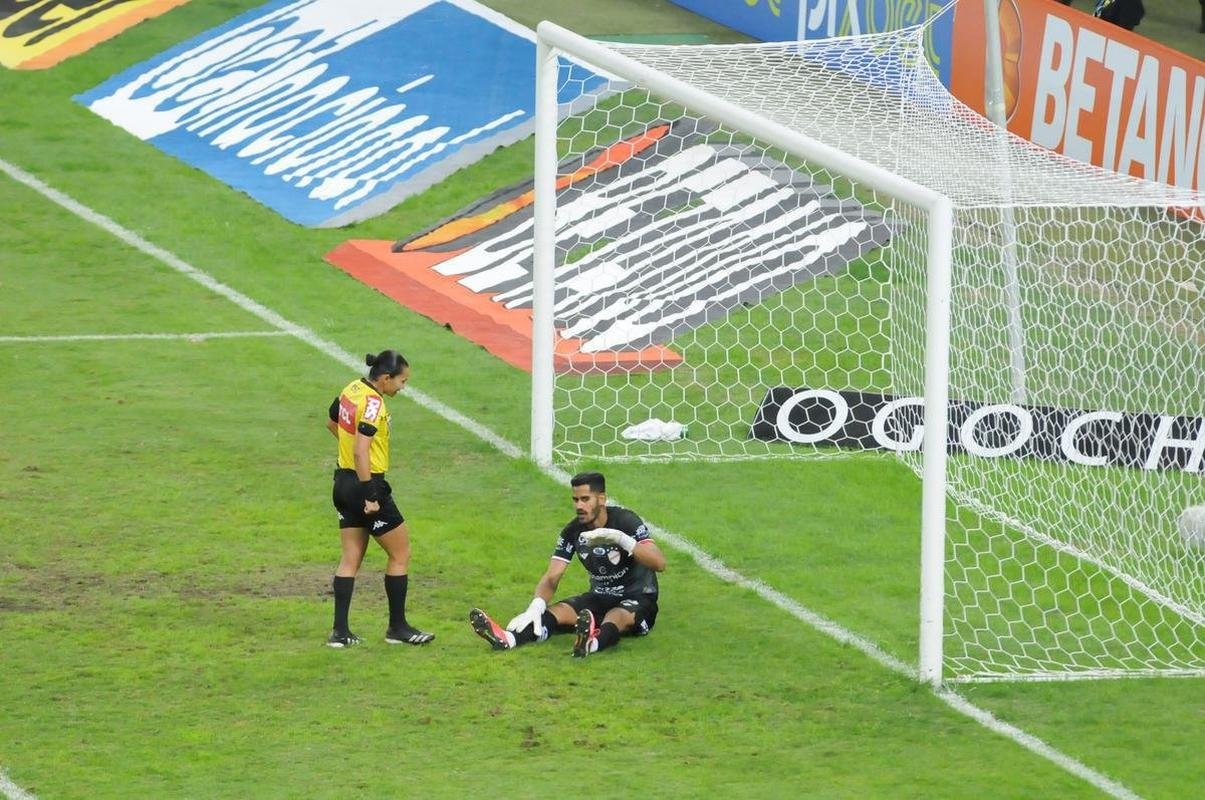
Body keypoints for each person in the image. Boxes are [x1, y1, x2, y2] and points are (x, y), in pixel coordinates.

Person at [468, 472, 666, 658]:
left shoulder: (626, 521)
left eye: (585, 499)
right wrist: (536, 607)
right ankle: (508, 639)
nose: (579, 506)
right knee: (557, 611)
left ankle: (590, 644)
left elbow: (659, 563)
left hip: (638, 598)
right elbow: (552, 576)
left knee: (616, 616)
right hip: (599, 597)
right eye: (575, 500)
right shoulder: (573, 531)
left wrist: (621, 539)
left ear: (602, 499)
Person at [324, 350, 433, 648]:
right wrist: (371, 493)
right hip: (366, 485)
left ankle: (340, 633)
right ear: (385, 378)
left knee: (350, 560)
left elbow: (331, 423)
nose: (402, 387)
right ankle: (397, 628)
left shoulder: (352, 388)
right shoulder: (373, 403)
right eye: (401, 381)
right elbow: (362, 451)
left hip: (342, 483)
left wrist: (353, 459)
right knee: (400, 554)